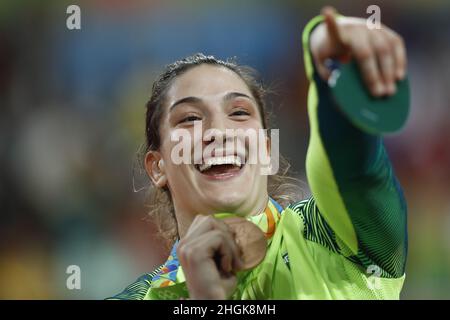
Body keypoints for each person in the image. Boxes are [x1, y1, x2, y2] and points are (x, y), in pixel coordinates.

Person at [108, 6, 408, 300]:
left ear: (266, 150)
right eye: (189, 118)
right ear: (157, 167)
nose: (219, 132)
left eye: (239, 113)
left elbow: (354, 169)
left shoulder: (337, 241)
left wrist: (330, 69)